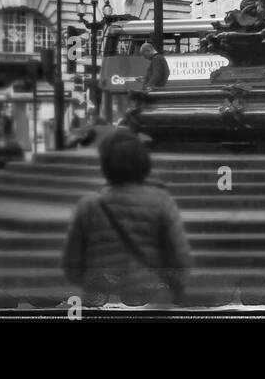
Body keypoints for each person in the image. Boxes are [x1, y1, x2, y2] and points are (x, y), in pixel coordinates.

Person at [61, 131, 194, 306]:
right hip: (150, 300)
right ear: (143, 162)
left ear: (105, 165)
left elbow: (72, 263)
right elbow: (180, 257)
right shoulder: (162, 202)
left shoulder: (88, 206)